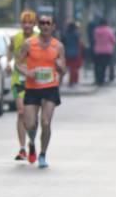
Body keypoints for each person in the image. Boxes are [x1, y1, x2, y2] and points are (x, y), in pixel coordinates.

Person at [16, 15, 65, 169]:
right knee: (30, 124)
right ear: (38, 26)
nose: (45, 26)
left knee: (45, 122)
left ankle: (43, 154)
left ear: (53, 26)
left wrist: (59, 67)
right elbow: (17, 63)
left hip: (50, 87)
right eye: (42, 23)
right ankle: (31, 142)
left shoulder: (58, 46)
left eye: (48, 23)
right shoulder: (29, 44)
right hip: (32, 88)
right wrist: (26, 72)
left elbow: (63, 69)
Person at [6, 11, 37, 160]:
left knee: (32, 117)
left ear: (34, 24)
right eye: (24, 23)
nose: (27, 25)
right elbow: (10, 49)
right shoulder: (16, 37)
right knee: (21, 112)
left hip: (34, 80)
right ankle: (22, 148)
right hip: (18, 79)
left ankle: (32, 142)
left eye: (30, 23)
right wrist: (8, 62)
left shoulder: (38, 39)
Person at [92, 19, 116, 86]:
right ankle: (102, 79)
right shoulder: (109, 30)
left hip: (98, 50)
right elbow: (113, 40)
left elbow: (95, 39)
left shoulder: (96, 30)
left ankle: (98, 79)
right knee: (104, 66)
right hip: (107, 51)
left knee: (98, 66)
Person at [63, 21, 83, 88]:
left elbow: (63, 43)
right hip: (75, 53)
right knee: (74, 68)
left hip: (67, 53)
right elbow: (79, 43)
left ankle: (71, 81)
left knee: (69, 68)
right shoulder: (76, 34)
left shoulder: (66, 34)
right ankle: (73, 81)